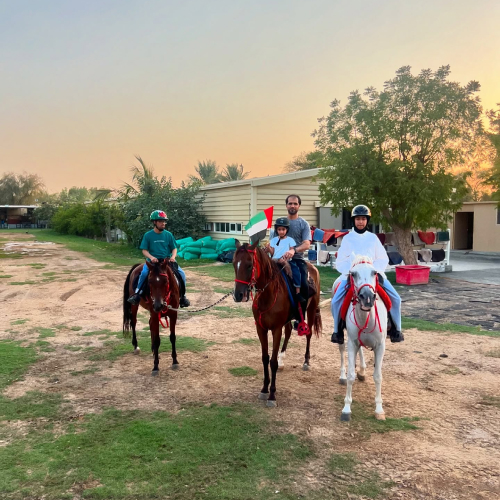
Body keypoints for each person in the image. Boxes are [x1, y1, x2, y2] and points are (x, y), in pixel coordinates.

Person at [330, 205, 404, 344]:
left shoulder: (373, 238)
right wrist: (353, 272)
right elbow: (341, 260)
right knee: (335, 301)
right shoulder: (347, 239)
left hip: (372, 275)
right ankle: (337, 331)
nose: (360, 222)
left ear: (367, 220)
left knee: (396, 298)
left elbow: (383, 258)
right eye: (358, 219)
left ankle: (396, 329)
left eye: (363, 219)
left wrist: (372, 271)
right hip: (353, 275)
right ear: (353, 220)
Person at [128, 210, 190, 307]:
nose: (163, 223)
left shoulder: (168, 234)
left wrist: (173, 257)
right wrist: (151, 257)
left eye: (164, 221)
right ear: (154, 222)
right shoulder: (148, 235)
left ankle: (183, 296)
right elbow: (144, 250)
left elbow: (174, 248)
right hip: (152, 262)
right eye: (161, 221)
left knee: (182, 274)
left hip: (167, 261)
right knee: (144, 273)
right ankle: (137, 295)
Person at [267, 217, 301, 296]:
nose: (281, 231)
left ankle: (297, 289)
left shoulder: (290, 240)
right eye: (279, 229)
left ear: (287, 230)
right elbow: (272, 253)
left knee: (296, 270)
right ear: (276, 230)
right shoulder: (274, 240)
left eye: (283, 229)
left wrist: (286, 257)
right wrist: (269, 248)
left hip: (286, 261)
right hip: (274, 261)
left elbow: (291, 251)